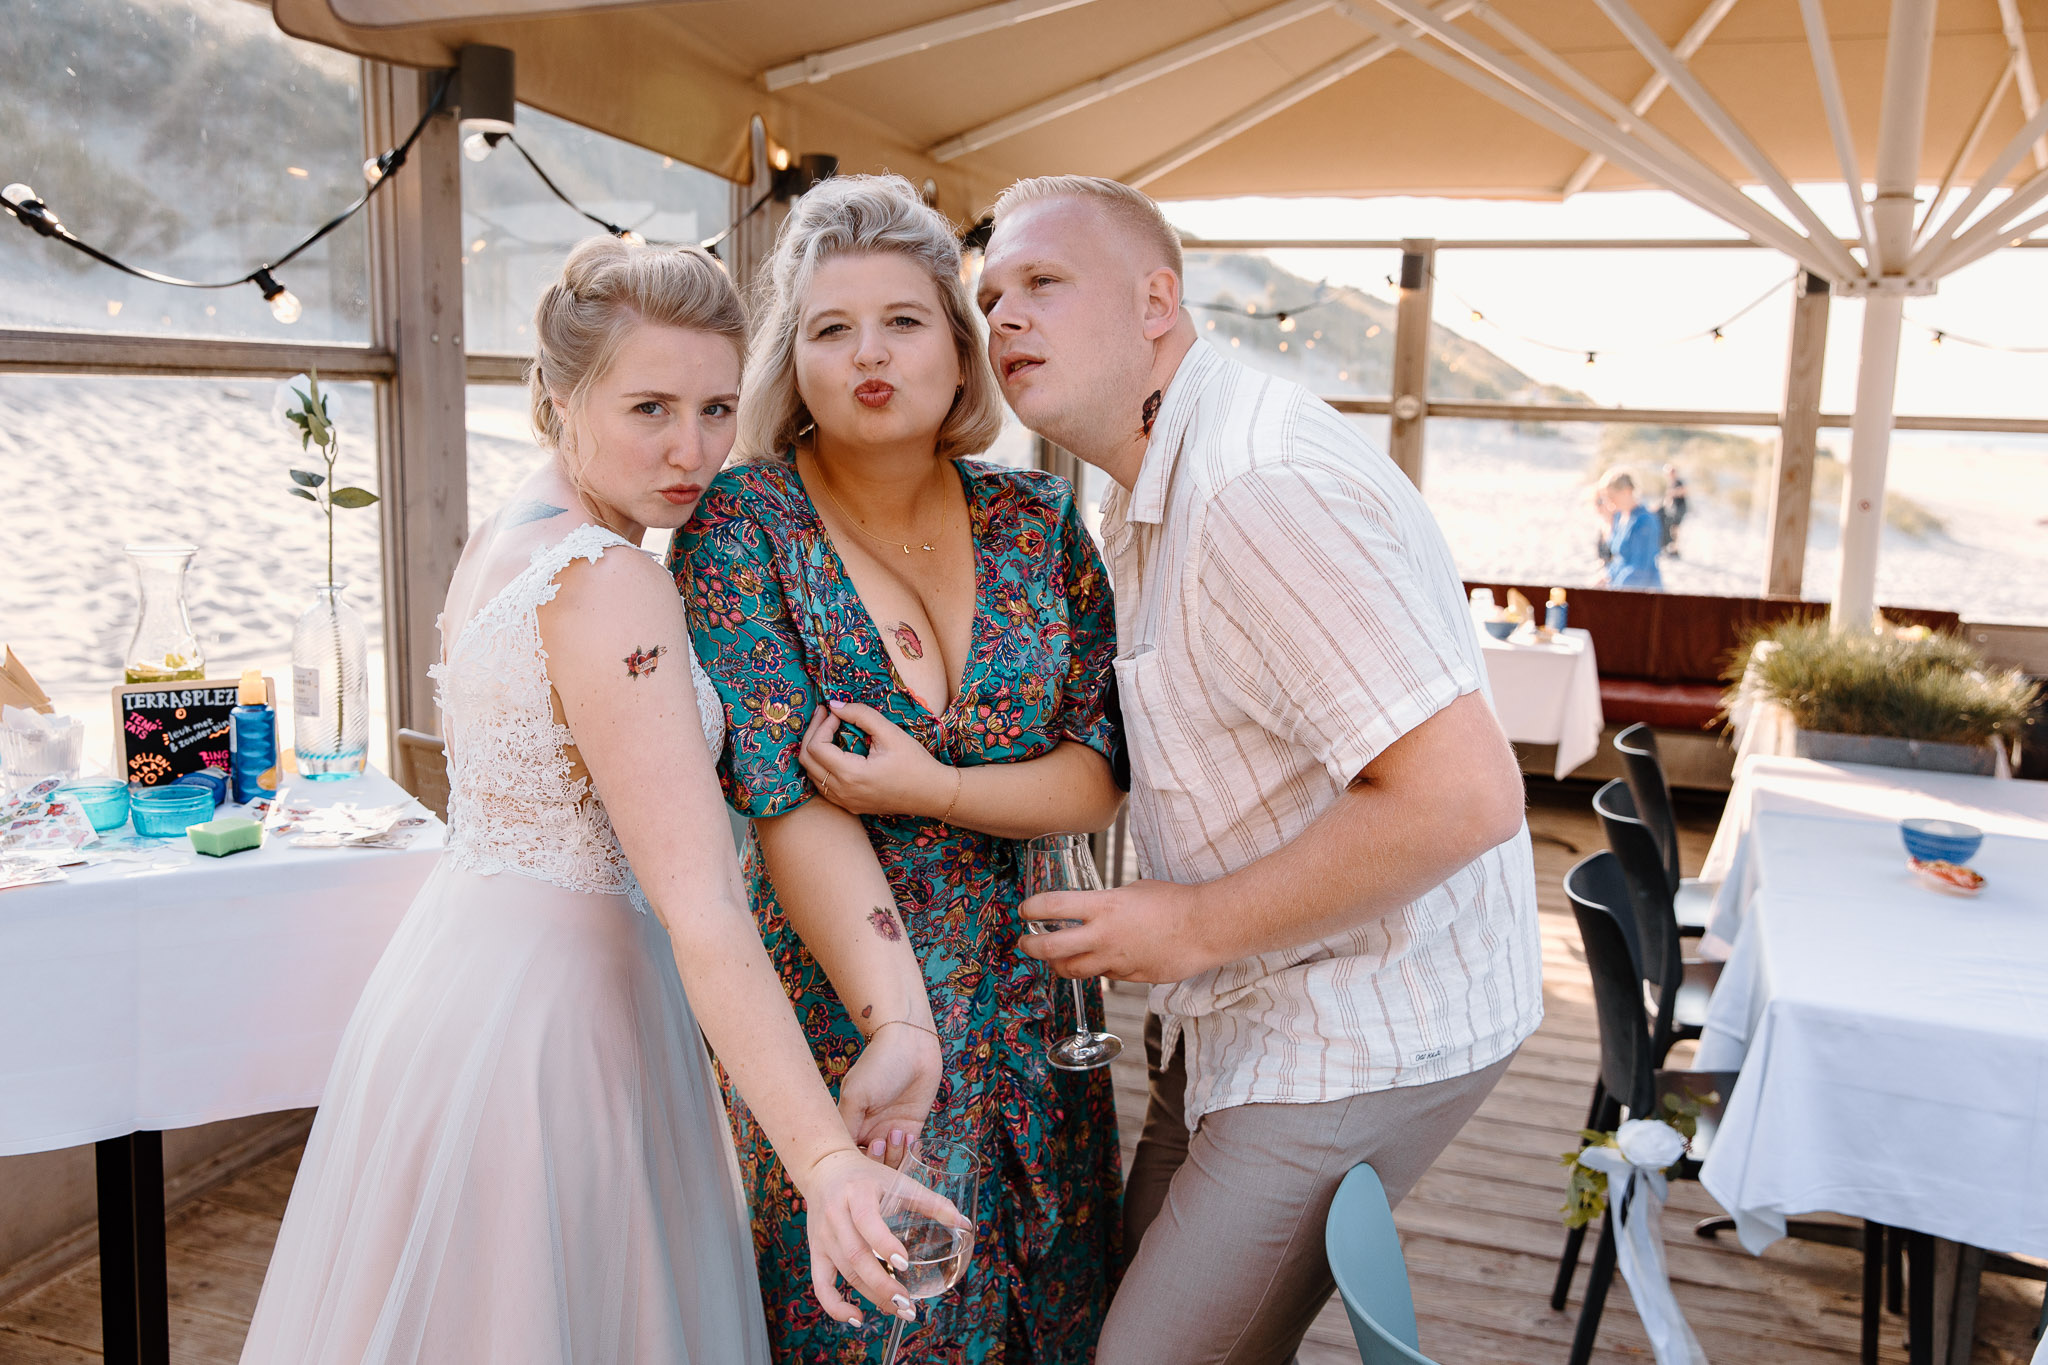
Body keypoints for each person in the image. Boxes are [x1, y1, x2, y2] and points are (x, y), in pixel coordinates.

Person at [240, 238, 953, 1365]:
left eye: (718, 408)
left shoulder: (516, 534)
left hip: (458, 983)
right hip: (560, 1025)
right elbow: (703, 903)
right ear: (559, 397)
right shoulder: (613, 581)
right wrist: (822, 1162)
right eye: (650, 408)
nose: (691, 451)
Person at [978, 176, 1543, 1365]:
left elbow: (1463, 795)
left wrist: (1186, 924)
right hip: (1245, 1003)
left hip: (1363, 1022)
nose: (1003, 321)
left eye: (1039, 283)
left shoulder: (1250, 488)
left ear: (1154, 302)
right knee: (1117, 1310)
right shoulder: (1157, 480)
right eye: (988, 298)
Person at [674, 174, 1126, 1363]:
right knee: (875, 1324)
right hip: (854, 1017)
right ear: (793, 359)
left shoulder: (1036, 519)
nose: (868, 353)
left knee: (1051, 1309)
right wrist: (901, 1023)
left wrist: (936, 790)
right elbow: (781, 804)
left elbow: (1097, 771)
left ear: (960, 351)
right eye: (830, 328)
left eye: (903, 321)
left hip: (1040, 1008)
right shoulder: (741, 527)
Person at [1599, 466, 1664, 590]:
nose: (1608, 501)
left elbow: (1639, 571)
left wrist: (1614, 588)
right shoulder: (1619, 516)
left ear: (1627, 491)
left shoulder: (1645, 521)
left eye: (1611, 496)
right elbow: (1619, 559)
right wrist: (1607, 576)